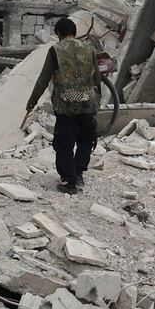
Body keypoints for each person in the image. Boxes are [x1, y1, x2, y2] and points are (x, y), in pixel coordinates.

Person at [26, 18, 101, 195]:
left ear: (58, 33)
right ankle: (79, 172)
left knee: (64, 143)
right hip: (87, 101)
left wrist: (31, 102)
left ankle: (69, 181)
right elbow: (97, 79)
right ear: (74, 32)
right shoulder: (89, 49)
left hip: (66, 104)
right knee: (85, 140)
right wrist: (96, 102)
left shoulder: (56, 50)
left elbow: (43, 80)